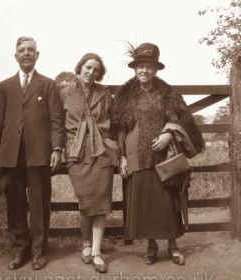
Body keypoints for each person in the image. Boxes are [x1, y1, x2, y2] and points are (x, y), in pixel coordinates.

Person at [113, 43, 205, 266]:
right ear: (135, 69)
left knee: (168, 202)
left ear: (155, 70)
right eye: (140, 66)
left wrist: (169, 134)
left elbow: (183, 120)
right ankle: (151, 246)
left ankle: (173, 247)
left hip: (164, 159)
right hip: (137, 157)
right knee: (145, 205)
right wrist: (122, 158)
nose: (144, 70)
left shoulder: (168, 94)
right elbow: (119, 129)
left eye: (148, 66)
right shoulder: (125, 96)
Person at [0, 37, 64, 270]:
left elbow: (56, 121)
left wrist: (57, 149)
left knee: (40, 204)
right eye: (22, 50)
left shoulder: (48, 85)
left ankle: (39, 251)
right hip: (10, 156)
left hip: (39, 154)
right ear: (16, 56)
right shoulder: (5, 86)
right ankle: (20, 250)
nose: (26, 53)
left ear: (37, 55)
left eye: (31, 50)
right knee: (15, 205)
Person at [60, 53, 119, 273]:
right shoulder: (64, 93)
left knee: (101, 203)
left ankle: (96, 251)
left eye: (95, 69)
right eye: (87, 67)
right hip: (76, 152)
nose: (90, 72)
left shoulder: (105, 94)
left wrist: (117, 151)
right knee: (86, 201)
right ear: (80, 67)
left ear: (99, 73)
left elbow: (114, 124)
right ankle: (85, 243)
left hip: (102, 151)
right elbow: (56, 123)